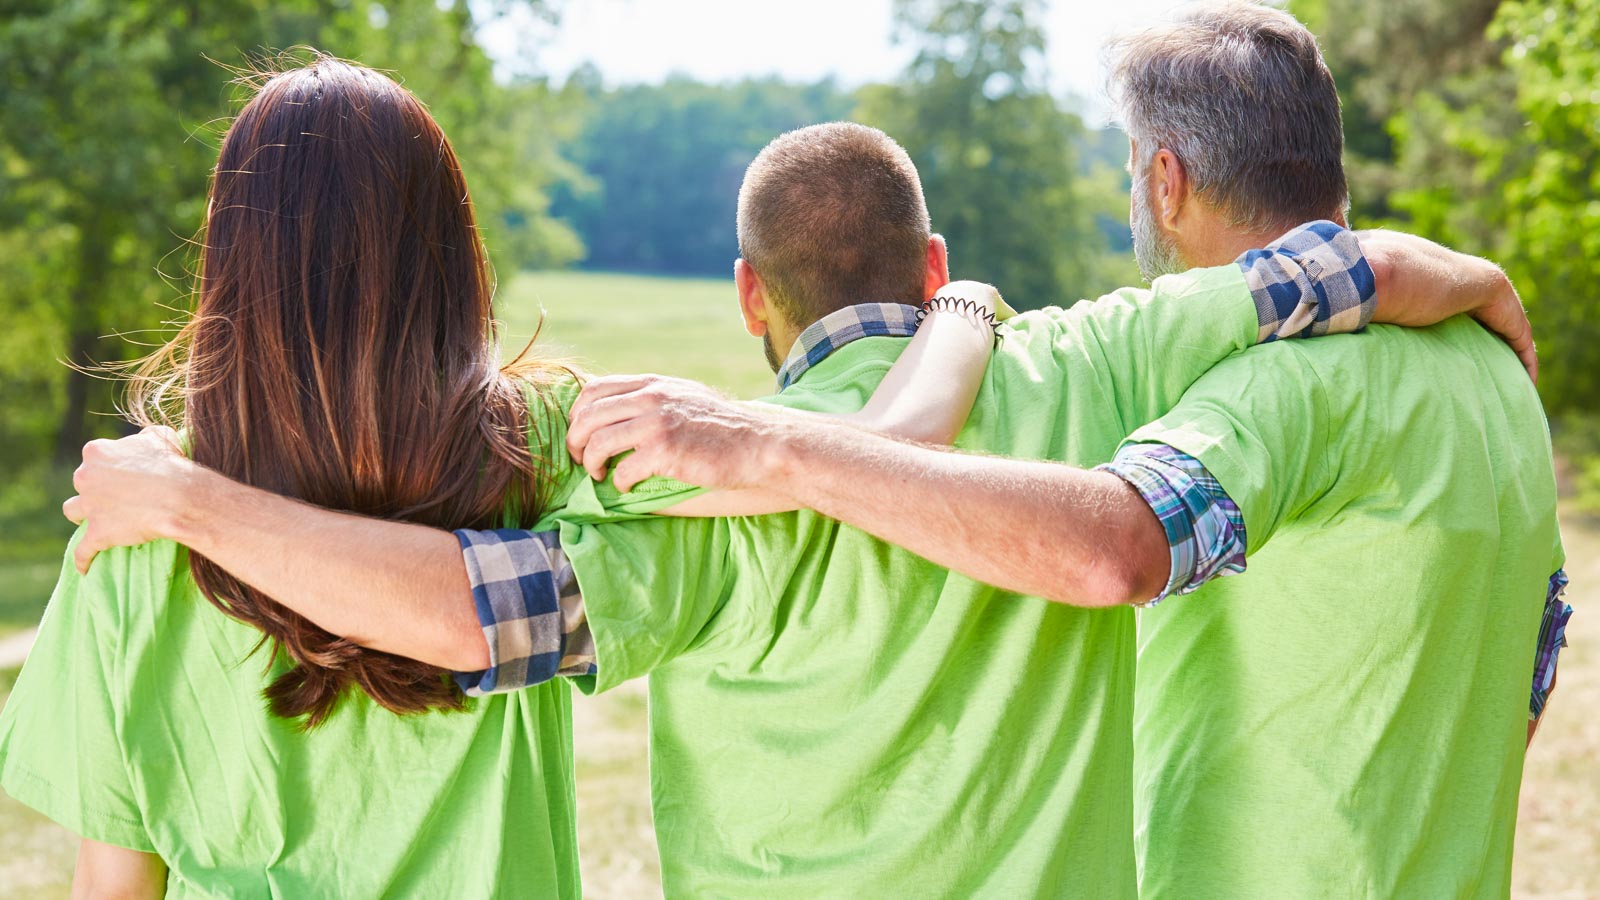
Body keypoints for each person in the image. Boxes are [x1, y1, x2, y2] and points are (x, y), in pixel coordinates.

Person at [65, 114, 1526, 896]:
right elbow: (1318, 271)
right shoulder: (1094, 360)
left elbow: (483, 615)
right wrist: (1481, 281)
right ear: (933, 255)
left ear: (750, 294)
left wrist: (188, 495)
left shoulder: (671, 461)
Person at [550, 5, 1572, 898]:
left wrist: (779, 447)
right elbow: (1530, 666)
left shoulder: (1274, 388)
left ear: (1164, 180)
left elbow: (1115, 548)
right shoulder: (1494, 375)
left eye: (1130, 167)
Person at [0, 58, 997, 898]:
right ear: (444, 251)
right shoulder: (541, 448)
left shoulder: (132, 529)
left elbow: (113, 881)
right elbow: (872, 454)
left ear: (231, 261)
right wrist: (963, 311)